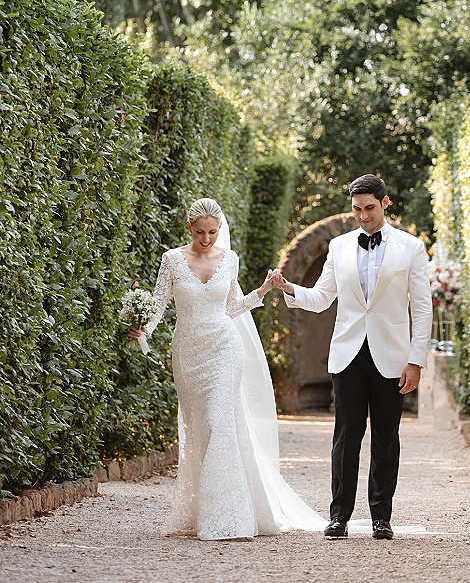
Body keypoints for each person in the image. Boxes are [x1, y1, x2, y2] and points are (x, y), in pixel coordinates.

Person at [127, 197, 325, 540]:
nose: (207, 239)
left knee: (220, 420)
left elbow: (232, 307)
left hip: (224, 349)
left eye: (213, 233)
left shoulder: (229, 259)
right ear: (189, 228)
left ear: (220, 230)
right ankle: (203, 510)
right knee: (200, 428)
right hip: (188, 352)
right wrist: (143, 327)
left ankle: (230, 517)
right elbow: (158, 305)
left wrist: (263, 290)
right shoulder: (172, 260)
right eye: (200, 232)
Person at [271, 174, 432, 541]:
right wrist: (289, 288)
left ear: (385, 203)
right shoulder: (339, 246)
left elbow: (422, 310)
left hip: (392, 356)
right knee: (345, 437)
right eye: (356, 209)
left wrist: (415, 360)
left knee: (386, 438)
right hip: (347, 354)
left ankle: (381, 518)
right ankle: (338, 517)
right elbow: (321, 297)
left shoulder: (411, 248)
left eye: (369, 208)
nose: (362, 216)